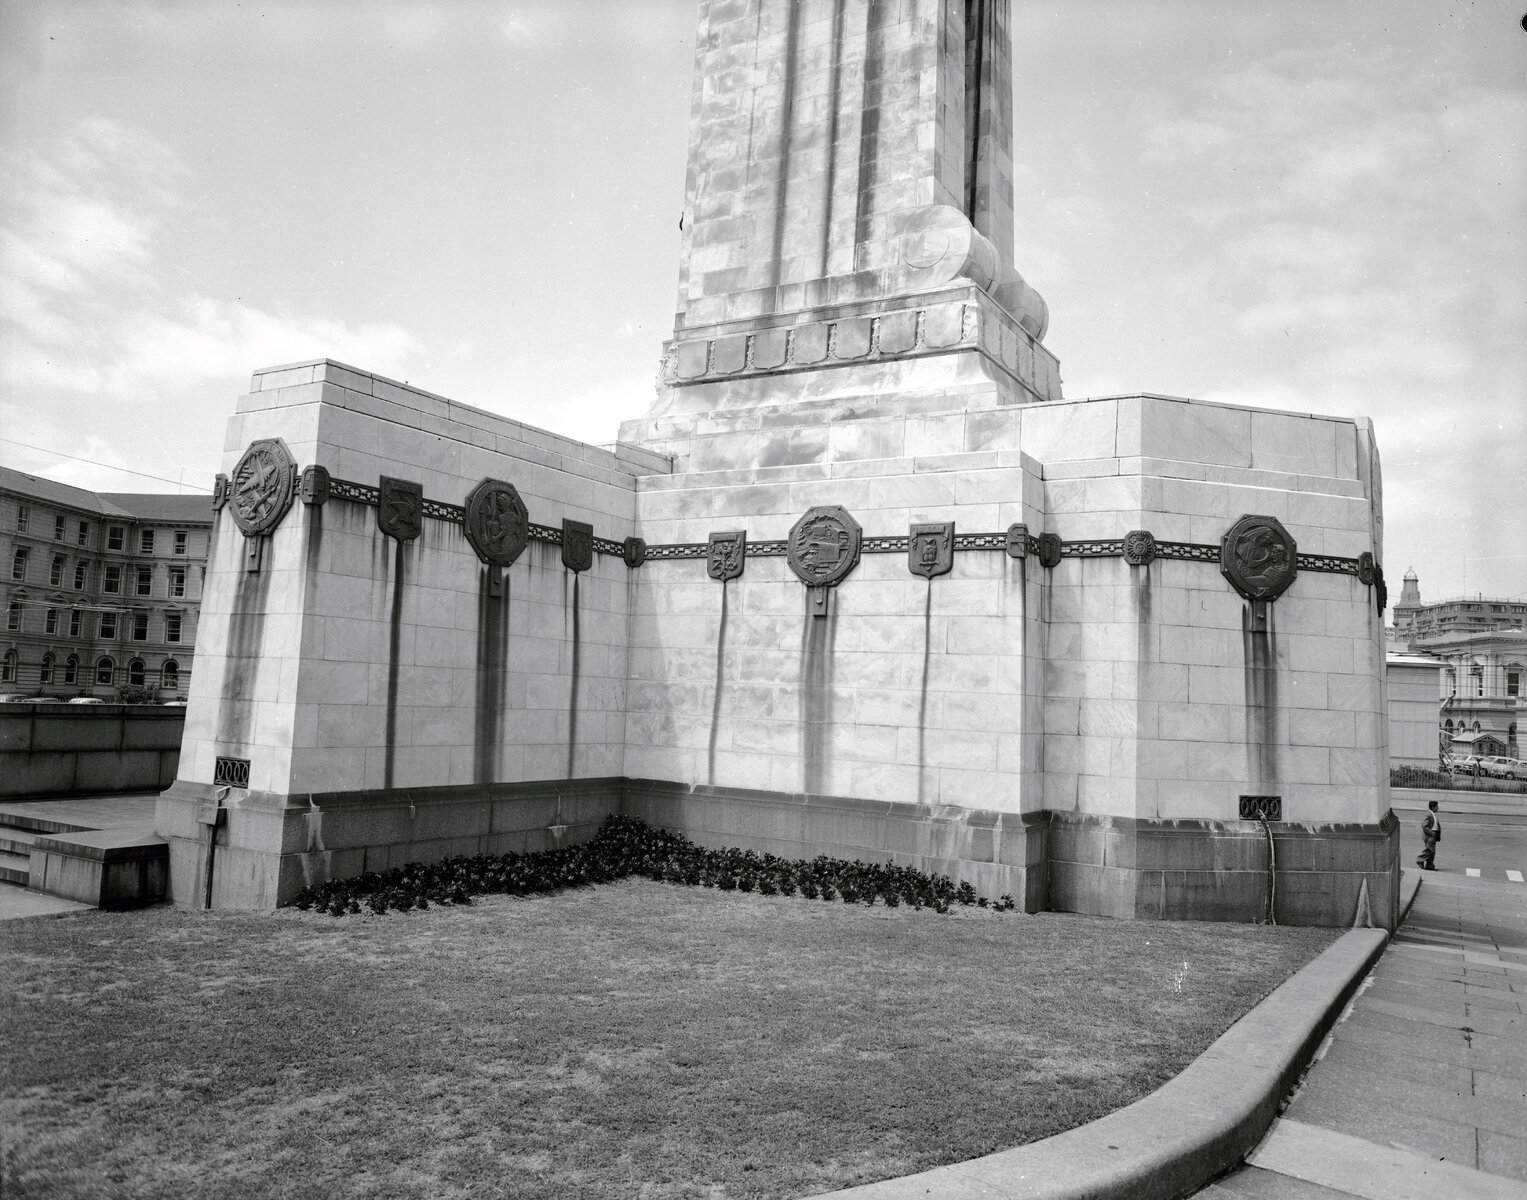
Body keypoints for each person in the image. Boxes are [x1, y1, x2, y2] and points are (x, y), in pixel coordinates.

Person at [1416, 800, 1441, 871]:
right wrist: (1431, 833)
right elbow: (1424, 826)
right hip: (1430, 835)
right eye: (1437, 806)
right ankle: (1420, 859)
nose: (1438, 808)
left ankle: (1430, 866)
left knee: (1432, 852)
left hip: (1434, 835)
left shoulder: (1433, 814)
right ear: (1433, 807)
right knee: (1430, 850)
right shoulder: (1428, 814)